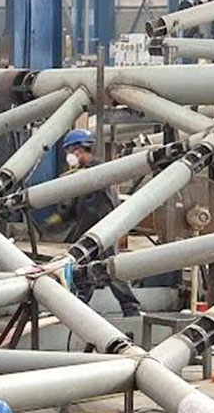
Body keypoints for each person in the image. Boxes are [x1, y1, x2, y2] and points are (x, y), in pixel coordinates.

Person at [47, 128, 142, 318]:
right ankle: (80, 306)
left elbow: (105, 206)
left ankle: (131, 308)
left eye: (69, 151)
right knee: (83, 270)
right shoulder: (82, 175)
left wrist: (101, 230)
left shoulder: (99, 173)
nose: (69, 156)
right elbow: (76, 208)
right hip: (88, 232)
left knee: (111, 270)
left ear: (78, 150)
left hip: (103, 232)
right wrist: (59, 219)